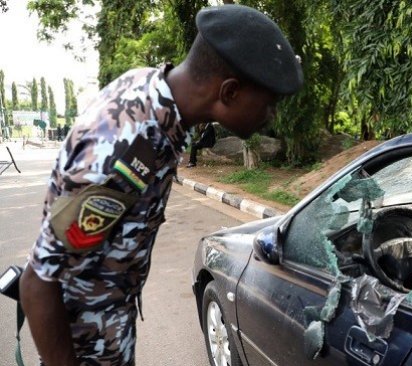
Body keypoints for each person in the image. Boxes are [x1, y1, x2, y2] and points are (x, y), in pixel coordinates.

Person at [18, 4, 302, 366]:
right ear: (229, 93)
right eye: (269, 104)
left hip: (112, 330)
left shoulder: (160, 97)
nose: (270, 116)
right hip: (83, 349)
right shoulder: (125, 148)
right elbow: (38, 282)